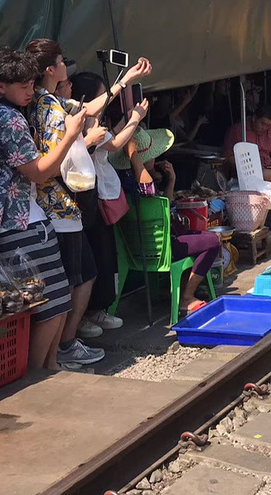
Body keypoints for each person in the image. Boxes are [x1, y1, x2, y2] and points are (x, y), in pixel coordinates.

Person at [0, 47, 86, 372]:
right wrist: (70, 135)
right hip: (15, 221)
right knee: (51, 302)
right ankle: (36, 376)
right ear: (1, 86)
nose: (30, 91)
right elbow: (39, 172)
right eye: (22, 86)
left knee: (44, 300)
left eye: (32, 84)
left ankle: (51, 368)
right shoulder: (7, 118)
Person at [25, 39, 112, 368]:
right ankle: (60, 352)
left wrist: (122, 83)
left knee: (78, 279)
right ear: (50, 70)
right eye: (62, 61)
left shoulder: (41, 102)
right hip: (61, 207)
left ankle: (59, 354)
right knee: (69, 285)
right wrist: (85, 139)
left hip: (56, 208)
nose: (66, 66)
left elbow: (86, 109)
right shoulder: (50, 107)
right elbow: (58, 153)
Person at [71, 71, 149, 331]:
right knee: (97, 257)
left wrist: (128, 120)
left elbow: (109, 140)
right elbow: (114, 145)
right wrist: (135, 120)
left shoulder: (90, 120)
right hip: (92, 195)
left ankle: (97, 311)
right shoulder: (81, 122)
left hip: (98, 193)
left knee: (104, 255)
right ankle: (87, 315)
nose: (107, 98)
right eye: (103, 93)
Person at [135, 136, 221, 316]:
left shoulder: (129, 184)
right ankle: (187, 297)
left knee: (198, 234)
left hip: (141, 248)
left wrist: (168, 180)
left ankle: (186, 288)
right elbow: (164, 211)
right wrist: (168, 178)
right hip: (162, 248)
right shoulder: (145, 188)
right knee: (213, 241)